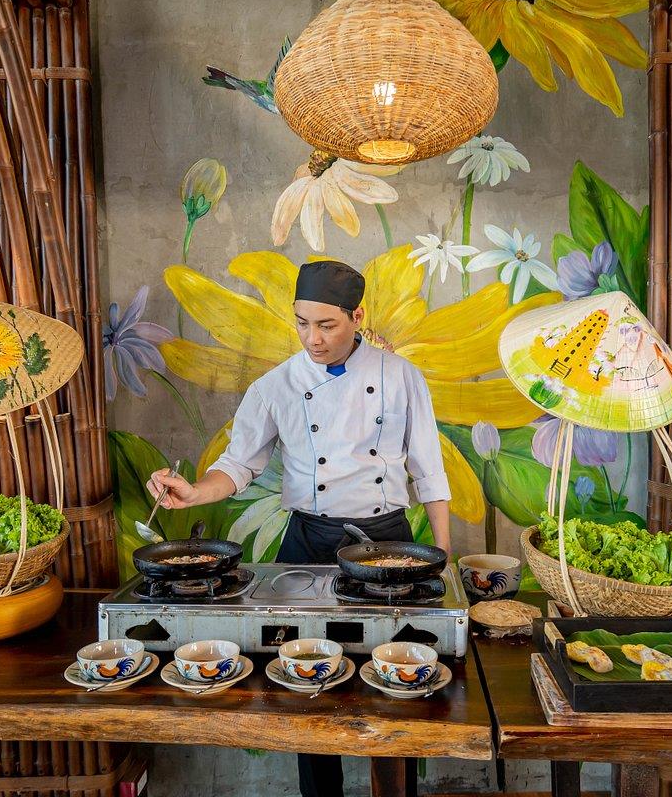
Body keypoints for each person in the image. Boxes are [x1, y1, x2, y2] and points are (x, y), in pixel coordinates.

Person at [147, 258, 451, 797]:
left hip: (389, 542)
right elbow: (238, 465)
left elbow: (429, 470)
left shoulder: (401, 376)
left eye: (327, 325)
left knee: (398, 678)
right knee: (305, 680)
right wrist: (194, 491)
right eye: (302, 323)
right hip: (308, 543)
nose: (313, 338)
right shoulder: (276, 386)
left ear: (357, 316)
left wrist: (441, 560)